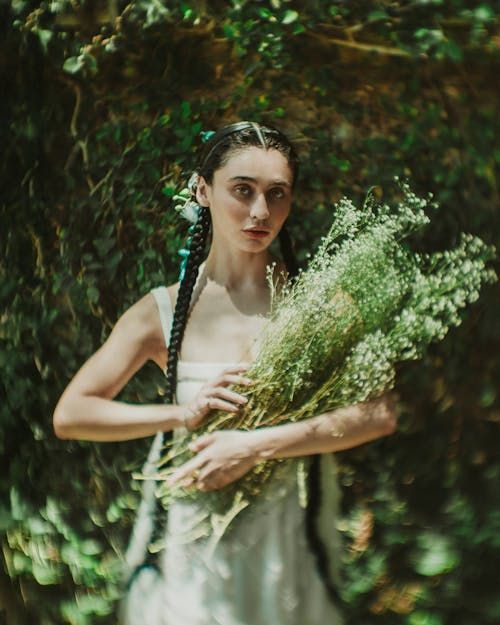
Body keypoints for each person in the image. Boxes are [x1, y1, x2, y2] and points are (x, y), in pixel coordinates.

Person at [53, 121, 398, 625]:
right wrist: (181, 414)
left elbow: (381, 413)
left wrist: (258, 444)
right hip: (194, 550)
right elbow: (72, 414)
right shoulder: (162, 313)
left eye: (276, 194)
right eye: (243, 190)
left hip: (287, 544)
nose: (260, 212)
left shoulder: (321, 306)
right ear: (202, 190)